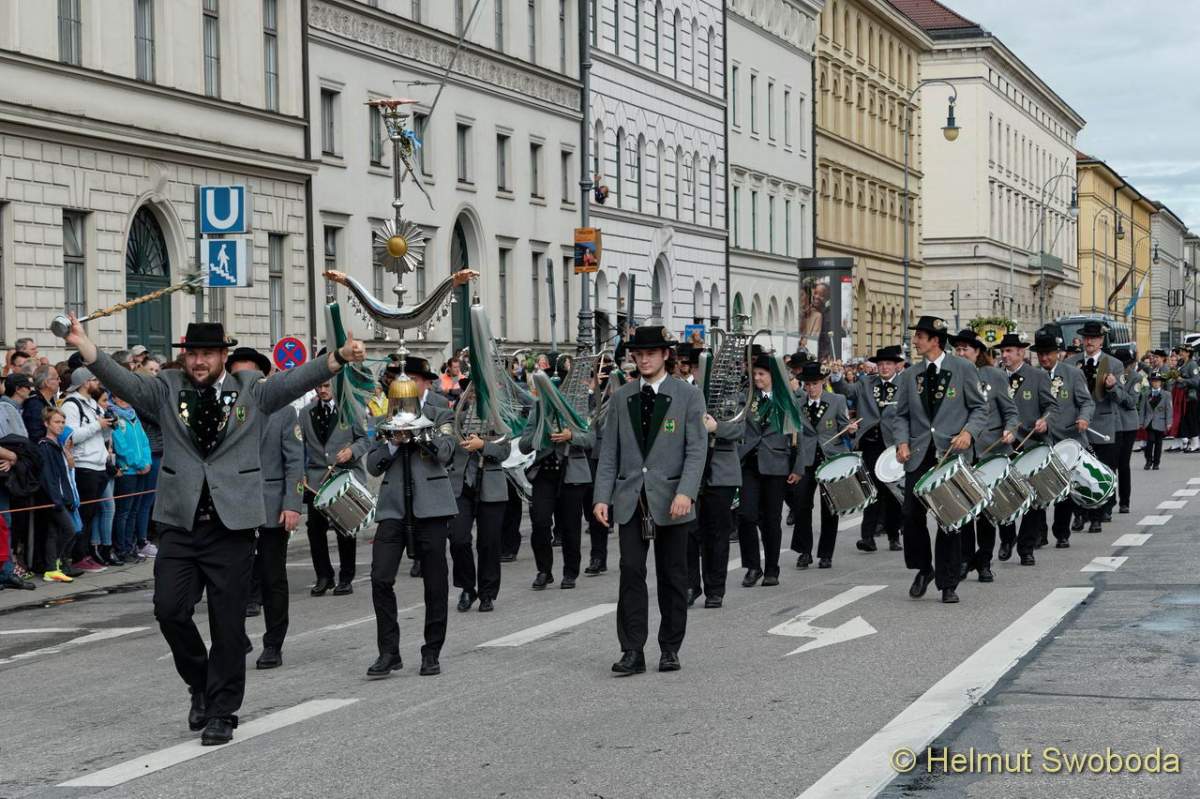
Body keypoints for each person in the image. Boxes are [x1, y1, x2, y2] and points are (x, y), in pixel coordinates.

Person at [65, 317, 362, 746]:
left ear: (224, 355)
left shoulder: (251, 390)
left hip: (232, 526)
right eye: (192, 354)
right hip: (180, 524)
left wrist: (336, 359)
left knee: (228, 625)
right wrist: (86, 346)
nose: (198, 361)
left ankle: (223, 712)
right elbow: (124, 382)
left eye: (207, 354)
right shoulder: (166, 388)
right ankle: (199, 682)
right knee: (169, 610)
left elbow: (293, 382)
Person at [593, 326, 706, 675]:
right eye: (639, 354)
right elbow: (609, 452)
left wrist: (686, 491)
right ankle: (632, 650)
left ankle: (670, 648)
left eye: (651, 354)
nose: (644, 360)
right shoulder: (622, 396)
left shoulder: (687, 395)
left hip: (672, 497)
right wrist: (601, 496)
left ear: (665, 355)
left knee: (673, 575)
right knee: (630, 571)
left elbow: (696, 449)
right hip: (631, 498)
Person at [364, 378, 458, 679]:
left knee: (435, 582)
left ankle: (431, 651)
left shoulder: (440, 413)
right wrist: (393, 442)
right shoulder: (384, 420)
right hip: (393, 508)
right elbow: (373, 464)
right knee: (380, 577)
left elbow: (446, 452)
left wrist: (419, 435)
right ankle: (389, 652)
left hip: (431, 508)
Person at [892, 316, 988, 604]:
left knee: (950, 519)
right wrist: (902, 442)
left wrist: (968, 433)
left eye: (920, 337)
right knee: (910, 515)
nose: (915, 341)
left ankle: (948, 583)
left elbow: (979, 409)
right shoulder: (910, 375)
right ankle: (924, 568)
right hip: (919, 454)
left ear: (935, 340)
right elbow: (901, 415)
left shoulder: (963, 368)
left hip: (951, 454)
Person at [227, 347, 303, 670]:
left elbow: (294, 462)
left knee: (273, 578)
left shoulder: (283, 412)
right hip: (233, 506)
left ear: (264, 376)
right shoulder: (225, 408)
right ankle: (235, 636)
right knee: (230, 578)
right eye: (237, 376)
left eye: (250, 374)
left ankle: (273, 643)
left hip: (271, 506)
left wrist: (292, 504)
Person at [949, 329, 1017, 575]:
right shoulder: (950, 376)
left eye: (965, 349)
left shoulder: (994, 376)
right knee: (966, 508)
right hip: (962, 450)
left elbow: (1011, 411)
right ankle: (966, 558)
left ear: (977, 351)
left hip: (990, 448)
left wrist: (1010, 430)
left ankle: (985, 560)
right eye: (957, 349)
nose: (960, 353)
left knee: (987, 510)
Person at [518, 385, 594, 591]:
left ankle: (570, 572)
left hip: (571, 473)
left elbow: (590, 439)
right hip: (545, 474)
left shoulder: (576, 406)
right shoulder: (538, 408)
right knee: (540, 522)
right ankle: (544, 570)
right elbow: (524, 444)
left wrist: (571, 436)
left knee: (570, 526)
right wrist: (540, 434)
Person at [300, 380, 369, 597]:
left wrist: (351, 452)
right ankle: (324, 576)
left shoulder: (351, 409)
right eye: (318, 386)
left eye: (326, 386)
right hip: (316, 481)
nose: (322, 390)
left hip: (343, 477)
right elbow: (299, 446)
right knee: (315, 529)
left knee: (344, 528)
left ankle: (346, 578)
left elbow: (364, 440)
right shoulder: (305, 413)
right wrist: (301, 472)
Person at [447, 382, 511, 613]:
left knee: (489, 543)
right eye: (471, 391)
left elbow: (504, 450)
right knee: (458, 539)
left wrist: (483, 445)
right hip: (461, 485)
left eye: (477, 391)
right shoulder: (458, 417)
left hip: (490, 486)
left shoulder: (498, 417)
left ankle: (487, 592)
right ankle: (467, 587)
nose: (473, 395)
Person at [831, 346, 903, 551]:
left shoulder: (905, 385)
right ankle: (867, 537)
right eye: (881, 364)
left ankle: (893, 536)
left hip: (894, 445)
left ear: (896, 366)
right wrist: (836, 376)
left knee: (892, 491)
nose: (884, 367)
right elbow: (846, 390)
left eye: (888, 364)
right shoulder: (866, 382)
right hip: (871, 443)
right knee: (872, 489)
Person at [1066, 323, 1132, 531]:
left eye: (1093, 338)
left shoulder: (1114, 364)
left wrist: (1112, 387)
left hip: (1103, 425)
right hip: (1077, 425)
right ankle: (1079, 514)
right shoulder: (1070, 363)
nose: (1089, 341)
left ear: (1101, 340)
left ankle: (1097, 516)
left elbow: (1125, 400)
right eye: (1086, 337)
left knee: (1100, 472)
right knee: (1076, 472)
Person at [995, 332, 1055, 563]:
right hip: (1004, 445)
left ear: (1021, 352)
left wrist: (1045, 421)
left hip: (1031, 443)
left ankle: (1026, 547)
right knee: (1002, 495)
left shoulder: (1038, 376)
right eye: (1003, 351)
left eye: (1009, 351)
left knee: (1033, 499)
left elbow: (1052, 406)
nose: (1005, 355)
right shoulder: (996, 376)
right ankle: (1007, 538)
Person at [688, 370, 744, 608]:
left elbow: (741, 429)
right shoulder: (684, 392)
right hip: (690, 471)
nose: (695, 369)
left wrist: (716, 427)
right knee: (689, 532)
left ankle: (715, 589)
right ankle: (690, 585)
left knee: (717, 534)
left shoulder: (733, 395)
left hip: (721, 473)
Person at [789, 360, 853, 569]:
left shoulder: (837, 400)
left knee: (830, 507)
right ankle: (804, 551)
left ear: (823, 382)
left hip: (830, 458)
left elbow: (844, 426)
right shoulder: (798, 403)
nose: (811, 388)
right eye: (807, 384)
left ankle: (826, 554)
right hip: (806, 460)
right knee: (801, 506)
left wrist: (850, 429)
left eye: (814, 384)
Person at [736, 355, 793, 587]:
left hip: (776, 465)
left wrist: (798, 467)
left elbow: (800, 435)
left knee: (771, 519)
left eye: (761, 374)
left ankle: (772, 569)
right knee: (746, 515)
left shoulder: (786, 400)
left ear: (773, 376)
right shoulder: (747, 398)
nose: (757, 378)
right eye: (755, 374)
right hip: (749, 464)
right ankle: (753, 566)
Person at [1032, 331, 1093, 547]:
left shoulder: (1072, 374)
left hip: (1067, 439)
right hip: (1040, 440)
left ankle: (1062, 532)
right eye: (1040, 354)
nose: (1044, 358)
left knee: (1064, 490)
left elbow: (1087, 402)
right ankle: (1039, 532)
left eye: (1048, 354)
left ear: (1057, 353)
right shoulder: (1032, 376)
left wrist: (1084, 418)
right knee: (1037, 489)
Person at [59, 367, 113, 571]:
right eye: (94, 379)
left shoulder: (92, 403)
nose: (97, 383)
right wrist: (98, 425)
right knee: (84, 514)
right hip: (84, 465)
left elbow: (102, 434)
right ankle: (77, 556)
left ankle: (86, 553)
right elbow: (71, 436)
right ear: (84, 382)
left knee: (92, 514)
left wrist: (108, 426)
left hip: (99, 464)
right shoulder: (71, 405)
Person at [36, 407, 79, 583]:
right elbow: (48, 477)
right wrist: (57, 500)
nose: (61, 425)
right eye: (56, 422)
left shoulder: (58, 446)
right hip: (54, 499)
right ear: (46, 423)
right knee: (70, 530)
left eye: (62, 422)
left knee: (54, 533)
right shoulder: (45, 446)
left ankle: (52, 569)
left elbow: (65, 475)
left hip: (61, 497)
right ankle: (54, 564)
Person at [110, 391, 152, 563]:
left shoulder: (134, 415)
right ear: (114, 398)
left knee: (134, 511)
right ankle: (121, 549)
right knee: (123, 512)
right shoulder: (114, 416)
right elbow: (121, 445)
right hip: (128, 471)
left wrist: (147, 462)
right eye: (119, 396)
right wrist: (139, 463)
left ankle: (130, 546)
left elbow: (145, 442)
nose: (124, 399)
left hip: (141, 470)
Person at [1114, 350, 1143, 513]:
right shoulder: (1110, 375)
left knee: (1123, 464)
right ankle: (1108, 504)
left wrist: (1115, 389)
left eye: (1125, 365)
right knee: (1110, 465)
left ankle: (1125, 501)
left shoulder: (1136, 377)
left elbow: (1131, 402)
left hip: (1128, 425)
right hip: (1111, 424)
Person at [1142, 372, 1171, 470]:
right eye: (1154, 381)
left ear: (1161, 383)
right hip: (1149, 422)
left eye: (1158, 381)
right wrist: (1141, 422)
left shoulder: (1166, 394)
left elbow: (1169, 409)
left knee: (1158, 443)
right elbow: (1142, 409)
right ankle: (1148, 461)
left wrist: (1169, 422)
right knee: (1150, 441)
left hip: (1161, 422)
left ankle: (1156, 463)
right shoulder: (1146, 394)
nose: (1156, 383)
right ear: (1151, 382)